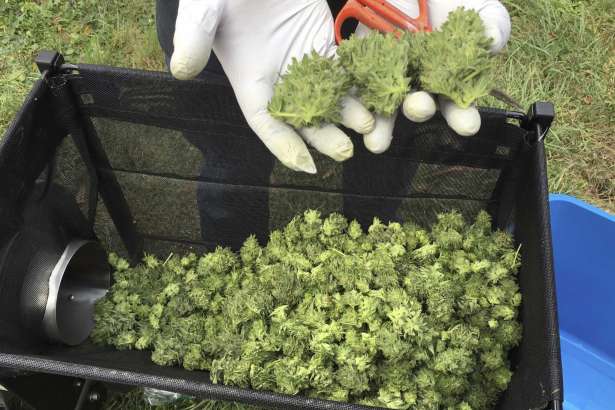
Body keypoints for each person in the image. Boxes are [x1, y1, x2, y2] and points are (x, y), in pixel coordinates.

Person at [155, 0, 511, 244]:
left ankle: (371, 236)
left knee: (386, 123)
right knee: (232, 141)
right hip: (246, 16)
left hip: (376, 11)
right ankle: (231, 256)